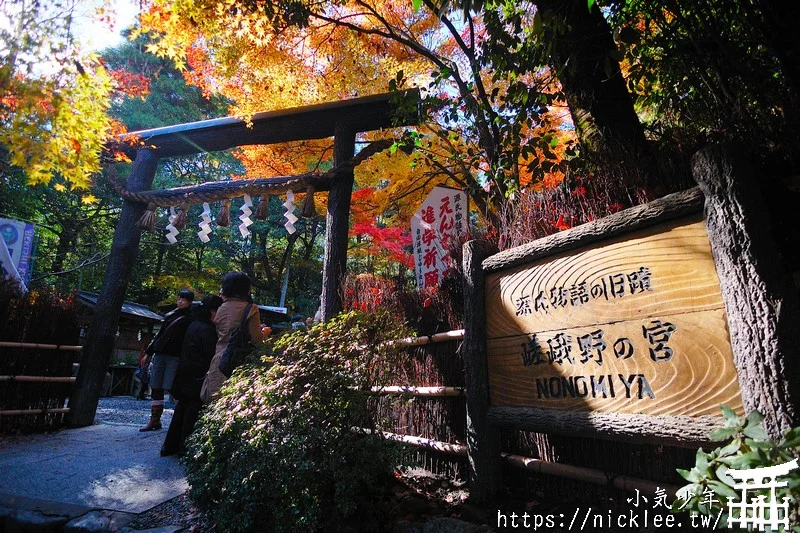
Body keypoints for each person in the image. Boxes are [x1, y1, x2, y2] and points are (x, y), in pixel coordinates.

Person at [161, 294, 223, 456]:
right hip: (198, 376)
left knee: (181, 409)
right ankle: (185, 448)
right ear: (212, 311)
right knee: (192, 412)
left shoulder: (194, 324)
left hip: (184, 374)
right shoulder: (208, 330)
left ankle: (169, 446)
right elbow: (210, 355)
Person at [200, 272, 267, 403]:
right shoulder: (251, 309)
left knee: (215, 402)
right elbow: (256, 339)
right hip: (239, 362)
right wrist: (265, 332)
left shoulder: (221, 307)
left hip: (219, 360)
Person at [140, 289, 194, 432]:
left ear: (189, 302)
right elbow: (160, 335)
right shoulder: (170, 315)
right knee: (156, 386)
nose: (180, 301)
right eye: (179, 298)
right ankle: (155, 420)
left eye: (184, 299)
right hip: (160, 354)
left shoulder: (190, 319)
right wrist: (148, 353)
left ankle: (179, 422)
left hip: (175, 357)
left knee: (172, 387)